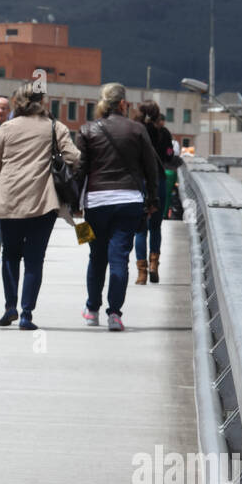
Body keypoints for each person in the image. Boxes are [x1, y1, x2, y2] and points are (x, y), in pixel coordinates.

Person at [0, 81, 80, 330]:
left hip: (7, 201)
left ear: (16, 104)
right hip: (42, 202)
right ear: (42, 103)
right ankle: (26, 314)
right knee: (35, 260)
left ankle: (10, 307)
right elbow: (74, 157)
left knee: (10, 255)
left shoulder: (5, 129)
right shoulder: (55, 127)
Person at [73, 83, 159, 331]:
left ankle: (91, 310)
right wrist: (152, 200)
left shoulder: (87, 130)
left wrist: (74, 202)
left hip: (95, 204)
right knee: (119, 258)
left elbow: (80, 170)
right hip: (129, 202)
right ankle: (115, 314)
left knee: (96, 257)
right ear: (123, 104)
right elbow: (150, 168)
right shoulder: (137, 129)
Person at [131, 101, 176, 285]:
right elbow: (169, 156)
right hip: (159, 181)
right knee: (156, 226)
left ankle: (141, 274)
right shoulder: (163, 133)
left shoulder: (134, 131)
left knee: (140, 229)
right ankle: (154, 266)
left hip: (140, 182)